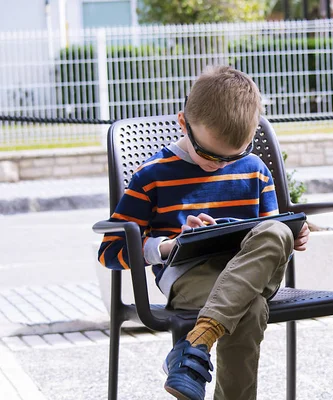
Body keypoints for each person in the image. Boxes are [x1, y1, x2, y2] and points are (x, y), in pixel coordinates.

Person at [98, 65, 310, 400]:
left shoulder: (255, 169)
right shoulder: (152, 176)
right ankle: (202, 340)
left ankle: (195, 345)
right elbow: (111, 251)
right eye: (209, 154)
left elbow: (270, 233)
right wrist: (170, 246)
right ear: (183, 123)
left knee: (276, 232)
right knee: (250, 310)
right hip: (191, 276)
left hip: (250, 273)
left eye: (234, 156)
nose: (219, 164)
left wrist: (293, 235)